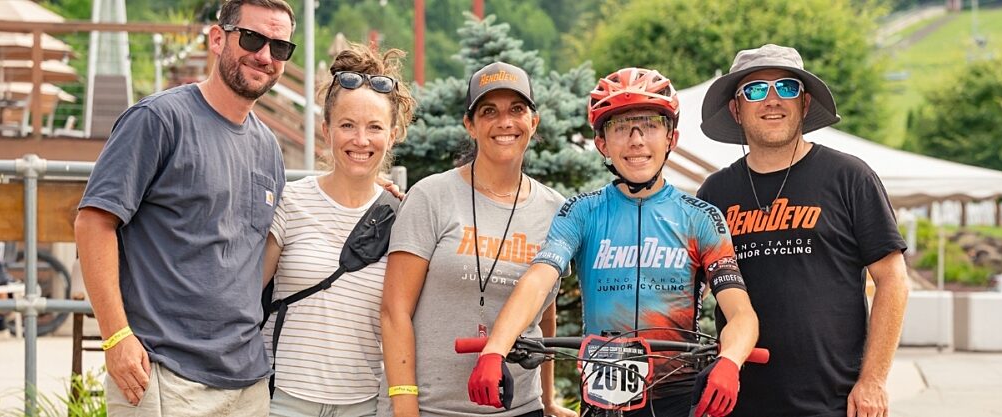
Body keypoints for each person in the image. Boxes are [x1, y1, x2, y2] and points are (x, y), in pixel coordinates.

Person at [468, 68, 760, 417]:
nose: (636, 140)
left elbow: (741, 313)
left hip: (676, 398)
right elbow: (537, 281)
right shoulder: (581, 212)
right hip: (600, 398)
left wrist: (730, 361)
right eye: (620, 127)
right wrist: (494, 350)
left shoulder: (700, 218)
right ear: (602, 143)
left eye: (650, 125)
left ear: (672, 138)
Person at [74, 0, 294, 415]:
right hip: (163, 375)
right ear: (217, 38)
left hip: (246, 383)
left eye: (280, 48)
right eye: (252, 38)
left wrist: (369, 187)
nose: (265, 56)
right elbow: (93, 223)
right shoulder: (158, 120)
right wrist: (116, 337)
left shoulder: (269, 148)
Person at [695, 44, 909, 417]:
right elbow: (686, 290)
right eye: (756, 90)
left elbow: (893, 280)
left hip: (835, 403)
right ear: (736, 109)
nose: (772, 100)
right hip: (737, 400)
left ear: (805, 104)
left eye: (787, 88)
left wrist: (873, 380)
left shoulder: (850, 177)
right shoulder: (714, 193)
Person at [380, 61, 575, 417]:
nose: (505, 122)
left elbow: (544, 315)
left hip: (518, 408)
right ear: (470, 125)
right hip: (431, 408)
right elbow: (395, 312)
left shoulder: (556, 210)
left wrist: (547, 402)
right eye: (489, 111)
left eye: (517, 109)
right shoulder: (432, 196)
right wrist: (405, 405)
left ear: (534, 121)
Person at [259, 43, 415, 416]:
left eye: (374, 127)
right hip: (281, 399)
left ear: (392, 135)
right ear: (327, 130)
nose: (360, 140)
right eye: (347, 125)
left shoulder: (403, 217)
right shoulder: (290, 202)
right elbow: (245, 296)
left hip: (362, 405)